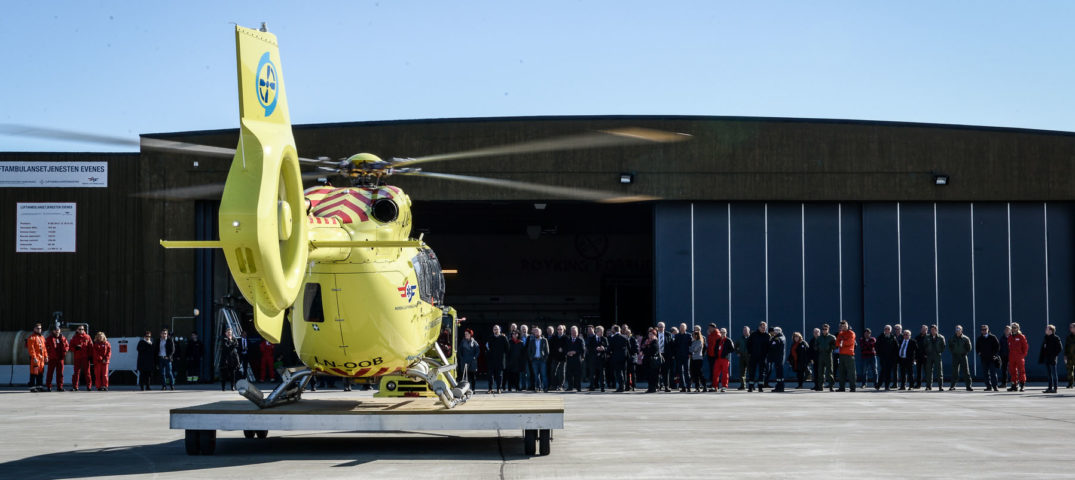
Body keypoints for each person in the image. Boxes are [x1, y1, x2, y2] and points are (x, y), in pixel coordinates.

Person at [976, 325, 1002, 391]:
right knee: (985, 374)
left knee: (993, 373)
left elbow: (997, 346)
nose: (984, 331)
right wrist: (979, 353)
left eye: (985, 329)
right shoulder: (979, 338)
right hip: (984, 359)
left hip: (992, 359)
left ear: (988, 329)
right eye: (982, 329)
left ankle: (995, 386)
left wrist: (994, 354)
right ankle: (988, 386)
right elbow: (977, 347)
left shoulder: (993, 337)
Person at [44, 325, 69, 392]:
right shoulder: (49, 338)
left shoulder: (63, 338)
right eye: (55, 330)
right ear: (53, 331)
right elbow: (45, 347)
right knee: (50, 373)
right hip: (52, 358)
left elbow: (67, 346)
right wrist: (48, 355)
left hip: (60, 358)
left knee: (60, 374)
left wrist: (65, 351)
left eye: (58, 330)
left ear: (60, 330)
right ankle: (48, 387)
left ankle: (59, 387)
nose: (57, 331)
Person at [1039, 324, 1063, 393]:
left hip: (1052, 359)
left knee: (1054, 374)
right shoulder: (1046, 338)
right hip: (1047, 359)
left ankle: (1055, 388)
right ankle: (1049, 388)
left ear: (1051, 330)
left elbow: (1060, 348)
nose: (1045, 330)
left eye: (1047, 329)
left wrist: (1053, 355)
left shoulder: (1056, 338)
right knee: (1049, 374)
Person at [746, 322, 770, 392]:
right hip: (754, 356)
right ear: (759, 327)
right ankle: (750, 387)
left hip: (763, 357)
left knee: (762, 372)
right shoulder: (753, 334)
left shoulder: (767, 336)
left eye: (765, 328)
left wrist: (766, 354)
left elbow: (769, 347)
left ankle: (760, 387)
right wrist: (750, 353)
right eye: (762, 327)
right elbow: (748, 344)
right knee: (751, 371)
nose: (763, 329)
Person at [948, 325, 973, 391]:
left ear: (961, 330)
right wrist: (953, 352)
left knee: (966, 372)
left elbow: (969, 348)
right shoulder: (952, 338)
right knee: (954, 372)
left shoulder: (966, 338)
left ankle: (968, 386)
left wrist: (964, 353)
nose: (957, 331)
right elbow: (950, 346)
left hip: (963, 356)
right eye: (956, 330)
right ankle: (952, 386)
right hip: (955, 357)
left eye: (959, 330)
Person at [486, 325, 509, 394]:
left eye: (497, 329)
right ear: (493, 330)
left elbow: (507, 348)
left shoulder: (503, 338)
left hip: (500, 359)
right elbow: (488, 348)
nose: (496, 330)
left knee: (499, 375)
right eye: (494, 329)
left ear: (500, 330)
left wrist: (504, 356)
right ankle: (490, 388)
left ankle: (499, 388)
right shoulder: (490, 338)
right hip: (491, 359)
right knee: (490, 375)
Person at [69, 325, 93, 391]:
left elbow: (90, 347)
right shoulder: (74, 338)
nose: (81, 330)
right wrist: (75, 348)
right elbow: (70, 347)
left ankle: (89, 386)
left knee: (87, 373)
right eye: (79, 329)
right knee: (76, 372)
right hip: (77, 357)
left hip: (85, 357)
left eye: (82, 329)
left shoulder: (87, 337)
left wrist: (90, 356)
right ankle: (75, 387)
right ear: (77, 330)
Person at [835, 321, 857, 392]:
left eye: (845, 326)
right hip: (841, 355)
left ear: (847, 326)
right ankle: (842, 387)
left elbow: (850, 342)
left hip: (849, 355)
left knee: (851, 372)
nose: (843, 327)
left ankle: (852, 388)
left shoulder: (851, 333)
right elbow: (837, 343)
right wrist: (841, 343)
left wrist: (842, 342)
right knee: (841, 372)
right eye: (842, 326)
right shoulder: (840, 334)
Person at [814, 324, 836, 391]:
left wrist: (830, 347)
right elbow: (815, 346)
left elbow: (835, 346)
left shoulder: (832, 337)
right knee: (820, 371)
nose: (824, 330)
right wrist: (818, 348)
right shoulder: (819, 338)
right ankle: (820, 386)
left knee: (829, 372)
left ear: (828, 329)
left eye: (826, 329)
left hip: (828, 355)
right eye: (823, 329)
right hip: (821, 355)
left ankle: (831, 386)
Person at [875, 325, 898, 390]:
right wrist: (879, 354)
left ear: (890, 330)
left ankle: (886, 386)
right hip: (883, 358)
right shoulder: (880, 337)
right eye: (886, 329)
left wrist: (894, 356)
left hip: (890, 358)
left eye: (888, 329)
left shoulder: (893, 337)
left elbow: (896, 347)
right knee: (883, 371)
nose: (887, 330)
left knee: (888, 372)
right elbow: (876, 346)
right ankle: (879, 385)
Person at [1007, 322, 1028, 392]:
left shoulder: (1021, 336)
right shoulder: (1010, 337)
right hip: (1012, 356)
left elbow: (1025, 347)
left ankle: (1022, 385)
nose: (1014, 329)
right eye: (1012, 327)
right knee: (1012, 371)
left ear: (1018, 328)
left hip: (1019, 357)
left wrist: (1022, 355)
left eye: (1015, 327)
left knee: (1021, 371)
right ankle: (1014, 385)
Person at [924, 324, 946, 391]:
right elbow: (924, 346)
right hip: (929, 356)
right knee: (929, 372)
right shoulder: (927, 337)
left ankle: (940, 387)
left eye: (934, 329)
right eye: (931, 329)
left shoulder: (941, 337)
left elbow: (943, 346)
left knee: (939, 372)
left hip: (937, 356)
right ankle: (928, 386)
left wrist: (939, 352)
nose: (933, 331)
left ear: (936, 330)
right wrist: (926, 353)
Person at [527, 327, 550, 392]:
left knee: (544, 375)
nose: (536, 333)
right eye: (535, 332)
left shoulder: (544, 340)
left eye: (538, 332)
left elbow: (547, 351)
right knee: (536, 375)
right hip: (534, 360)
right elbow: (529, 351)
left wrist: (545, 359)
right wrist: (531, 358)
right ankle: (537, 387)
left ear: (540, 333)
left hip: (542, 360)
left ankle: (545, 388)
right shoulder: (532, 341)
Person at [564, 326, 586, 392]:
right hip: (569, 360)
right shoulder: (567, 340)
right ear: (570, 332)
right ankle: (570, 387)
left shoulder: (580, 340)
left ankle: (578, 387)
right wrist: (567, 353)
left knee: (578, 374)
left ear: (577, 332)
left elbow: (582, 350)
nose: (573, 333)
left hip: (577, 360)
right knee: (569, 374)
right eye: (572, 332)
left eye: (575, 332)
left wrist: (575, 352)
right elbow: (565, 349)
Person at [608, 325, 629, 392]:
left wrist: (608, 353)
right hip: (624, 357)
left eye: (612, 330)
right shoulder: (625, 337)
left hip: (616, 357)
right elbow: (629, 347)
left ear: (614, 330)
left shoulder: (613, 338)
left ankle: (621, 386)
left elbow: (610, 348)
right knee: (624, 372)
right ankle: (625, 386)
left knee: (618, 372)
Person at [587, 326, 609, 392]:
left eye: (603, 331)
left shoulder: (604, 339)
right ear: (597, 332)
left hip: (601, 359)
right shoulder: (591, 339)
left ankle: (602, 387)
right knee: (592, 374)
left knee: (602, 374)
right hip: (593, 359)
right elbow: (589, 348)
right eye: (601, 331)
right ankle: (592, 386)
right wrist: (595, 349)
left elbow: (608, 348)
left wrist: (603, 349)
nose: (602, 333)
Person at [26, 323, 47, 390]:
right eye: (38, 328)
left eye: (40, 328)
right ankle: (32, 386)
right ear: (34, 329)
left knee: (41, 372)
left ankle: (39, 386)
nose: (39, 330)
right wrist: (34, 357)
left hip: (42, 358)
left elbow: (44, 348)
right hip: (36, 359)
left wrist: (46, 356)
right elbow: (31, 349)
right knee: (34, 372)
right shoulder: (31, 338)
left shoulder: (42, 337)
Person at [767, 326, 787, 392]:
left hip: (778, 358)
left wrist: (771, 340)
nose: (773, 333)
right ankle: (779, 386)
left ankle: (780, 387)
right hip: (779, 358)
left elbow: (772, 346)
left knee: (779, 373)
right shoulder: (783, 337)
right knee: (779, 373)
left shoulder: (778, 339)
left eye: (774, 332)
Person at [674, 323, 693, 392]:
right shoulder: (677, 336)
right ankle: (683, 387)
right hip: (679, 356)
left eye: (683, 327)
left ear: (686, 328)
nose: (682, 328)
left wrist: (690, 353)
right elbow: (675, 346)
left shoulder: (688, 335)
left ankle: (689, 386)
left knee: (686, 371)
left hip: (686, 356)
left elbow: (691, 345)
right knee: (680, 372)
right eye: (681, 327)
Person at [655, 322, 673, 392]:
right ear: (657, 327)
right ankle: (657, 386)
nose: (661, 328)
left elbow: (671, 345)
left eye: (662, 326)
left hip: (666, 356)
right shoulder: (655, 334)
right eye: (659, 327)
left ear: (664, 327)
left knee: (666, 372)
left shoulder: (668, 334)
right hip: (657, 355)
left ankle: (666, 386)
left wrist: (671, 355)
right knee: (656, 371)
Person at [549, 325, 567, 391]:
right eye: (558, 329)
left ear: (563, 330)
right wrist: (556, 350)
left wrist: (563, 350)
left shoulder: (566, 338)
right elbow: (550, 347)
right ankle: (554, 385)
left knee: (562, 372)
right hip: (555, 357)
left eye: (561, 329)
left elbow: (567, 347)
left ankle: (561, 385)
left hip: (563, 357)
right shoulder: (554, 337)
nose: (559, 330)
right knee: (553, 371)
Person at [688, 327, 706, 392]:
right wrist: (690, 348)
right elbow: (690, 349)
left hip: (698, 359)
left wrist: (690, 348)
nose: (692, 336)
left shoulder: (699, 341)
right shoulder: (693, 341)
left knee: (699, 373)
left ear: (696, 335)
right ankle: (697, 387)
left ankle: (704, 386)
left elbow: (694, 349)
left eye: (693, 335)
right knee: (694, 373)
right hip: (693, 359)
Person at [914, 325, 930, 389]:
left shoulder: (929, 337)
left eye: (924, 329)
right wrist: (915, 357)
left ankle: (928, 385)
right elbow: (915, 348)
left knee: (927, 372)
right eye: (922, 329)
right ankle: (918, 385)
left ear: (927, 330)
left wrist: (927, 354)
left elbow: (930, 347)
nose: (923, 330)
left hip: (926, 357)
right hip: (918, 357)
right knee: (918, 372)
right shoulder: (917, 337)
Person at [890, 324, 904, 388]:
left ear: (901, 329)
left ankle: (903, 385)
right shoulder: (892, 336)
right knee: (894, 371)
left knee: (902, 370)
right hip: (894, 355)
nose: (897, 330)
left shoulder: (904, 336)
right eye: (895, 329)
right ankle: (895, 384)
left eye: (898, 329)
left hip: (902, 355)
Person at [1065, 323, 1075, 389]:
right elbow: (1066, 346)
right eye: (1070, 327)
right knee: (1069, 371)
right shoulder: (1069, 337)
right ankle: (1070, 383)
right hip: (1070, 356)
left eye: (1071, 327)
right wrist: (1065, 355)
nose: (1070, 328)